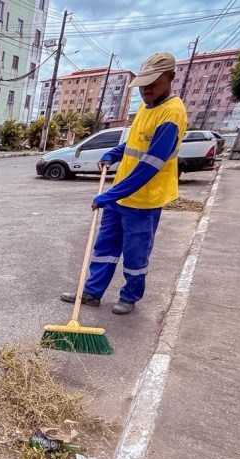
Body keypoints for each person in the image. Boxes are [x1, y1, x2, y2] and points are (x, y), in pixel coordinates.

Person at [60, 52, 188, 315]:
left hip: (144, 199)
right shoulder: (145, 107)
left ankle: (129, 297)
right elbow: (133, 143)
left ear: (171, 77)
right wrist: (114, 154)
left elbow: (149, 166)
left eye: (153, 83)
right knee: (104, 248)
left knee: (135, 253)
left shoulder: (171, 115)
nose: (146, 89)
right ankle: (92, 292)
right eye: (143, 84)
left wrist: (109, 194)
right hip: (121, 196)